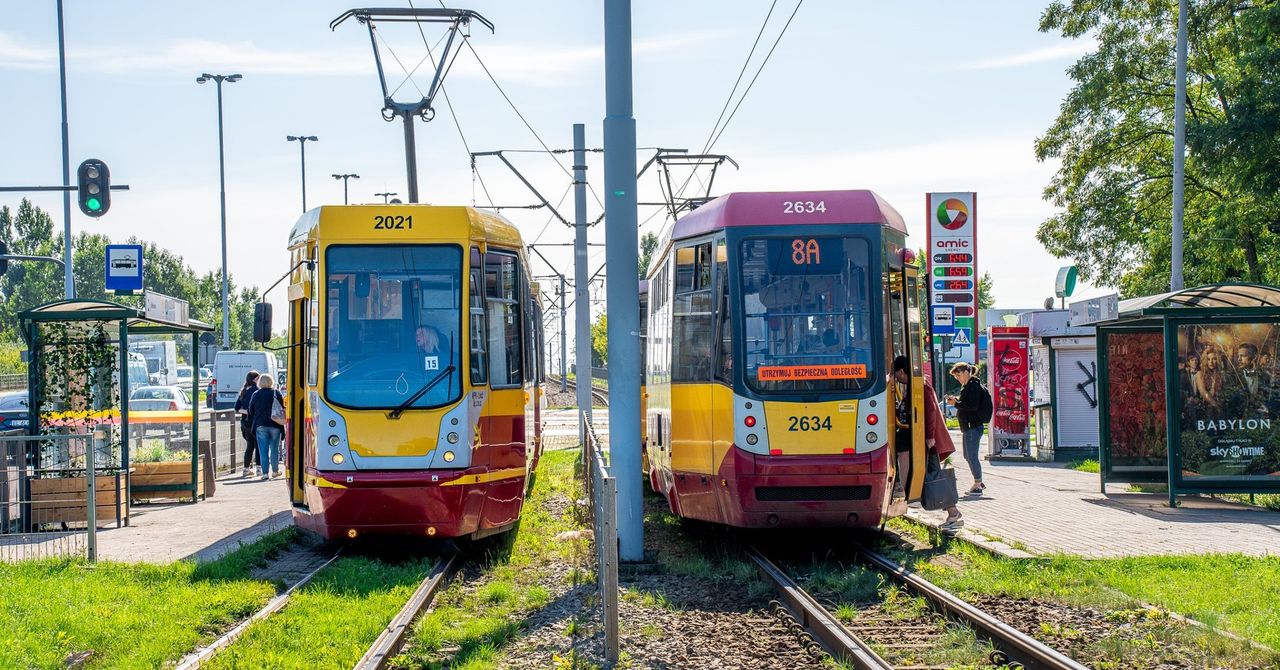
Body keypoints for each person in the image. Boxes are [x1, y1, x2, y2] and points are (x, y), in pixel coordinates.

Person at [892, 356, 963, 531]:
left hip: (926, 441)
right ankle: (951, 512)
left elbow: (930, 411)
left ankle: (954, 513)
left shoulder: (921, 386)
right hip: (921, 439)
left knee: (934, 474)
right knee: (932, 474)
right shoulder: (913, 386)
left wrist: (930, 436)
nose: (896, 378)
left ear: (902, 371)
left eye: (897, 374)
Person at [947, 362, 987, 496]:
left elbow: (971, 406)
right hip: (969, 427)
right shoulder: (968, 386)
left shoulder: (973, 387)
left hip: (972, 426)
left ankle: (978, 483)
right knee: (967, 455)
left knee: (972, 455)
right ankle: (978, 481)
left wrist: (956, 403)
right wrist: (957, 402)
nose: (957, 378)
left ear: (965, 372)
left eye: (958, 375)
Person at [246, 373, 285, 480]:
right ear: (271, 382)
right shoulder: (276, 393)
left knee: (263, 450)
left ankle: (265, 473)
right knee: (274, 449)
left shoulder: (256, 394)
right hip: (275, 424)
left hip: (260, 425)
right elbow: (282, 408)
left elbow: (250, 410)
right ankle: (275, 471)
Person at [232, 370, 261, 477]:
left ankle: (246, 469)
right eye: (258, 378)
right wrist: (251, 412)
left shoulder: (243, 391)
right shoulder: (257, 390)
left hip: (245, 423)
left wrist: (246, 412)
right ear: (254, 379)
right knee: (258, 445)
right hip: (255, 422)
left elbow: (236, 408)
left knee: (249, 446)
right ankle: (259, 468)